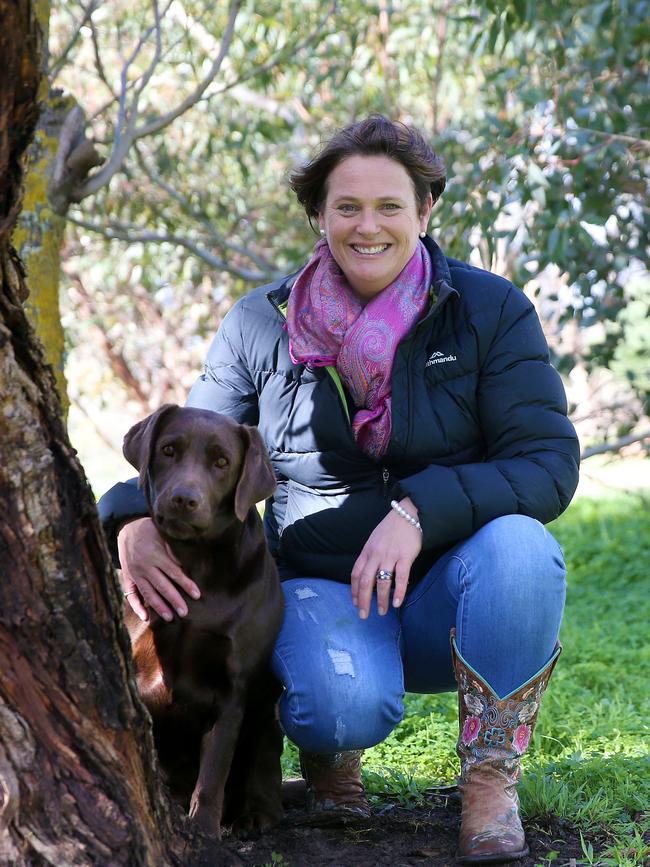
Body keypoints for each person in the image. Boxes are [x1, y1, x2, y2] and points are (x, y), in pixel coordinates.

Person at [99, 115, 579, 864]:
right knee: (336, 705)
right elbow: (191, 447)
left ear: (426, 212)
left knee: (524, 548)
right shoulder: (261, 323)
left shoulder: (490, 312)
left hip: (456, 594)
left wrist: (419, 509)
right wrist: (129, 520)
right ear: (318, 214)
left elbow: (549, 462)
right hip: (325, 584)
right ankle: (331, 761)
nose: (368, 225)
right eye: (346, 206)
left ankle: (490, 780)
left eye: (391, 205)